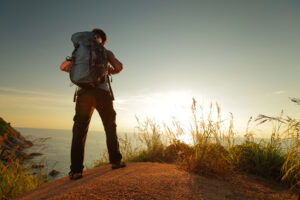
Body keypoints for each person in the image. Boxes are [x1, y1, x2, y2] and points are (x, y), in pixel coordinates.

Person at [60, 28, 126, 180]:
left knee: (79, 131)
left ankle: (76, 171)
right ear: (104, 41)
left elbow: (63, 67)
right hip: (102, 93)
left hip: (83, 94)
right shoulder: (106, 51)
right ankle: (116, 161)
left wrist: (79, 72)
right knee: (110, 127)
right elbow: (119, 67)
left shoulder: (80, 50)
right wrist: (107, 71)